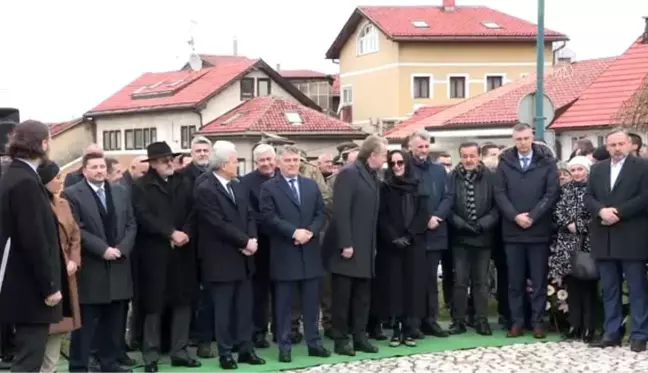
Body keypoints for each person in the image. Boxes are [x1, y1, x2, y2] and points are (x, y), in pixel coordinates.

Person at [194, 141, 266, 370]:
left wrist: (252, 240)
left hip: (244, 258)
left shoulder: (238, 185)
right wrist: (244, 241)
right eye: (235, 162)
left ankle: (245, 348)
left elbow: (249, 215)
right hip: (221, 258)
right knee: (223, 309)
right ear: (224, 164)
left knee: (244, 306)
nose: (237, 166)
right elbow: (216, 223)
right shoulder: (205, 188)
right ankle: (225, 352)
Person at [0, 120, 65, 373]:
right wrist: (49, 286)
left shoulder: (14, 176)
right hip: (29, 288)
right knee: (29, 360)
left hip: (19, 283)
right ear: (43, 144)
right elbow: (34, 239)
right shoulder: (25, 181)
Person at [131, 142, 201, 372]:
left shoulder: (184, 182)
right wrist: (169, 233)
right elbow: (143, 216)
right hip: (154, 254)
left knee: (183, 301)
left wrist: (184, 234)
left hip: (182, 251)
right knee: (153, 304)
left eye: (171, 159)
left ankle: (179, 351)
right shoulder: (141, 186)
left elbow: (193, 212)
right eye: (164, 160)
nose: (169, 163)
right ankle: (151, 355)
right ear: (152, 163)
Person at [64, 153, 136, 373]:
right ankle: (79, 366)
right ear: (84, 170)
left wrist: (121, 249)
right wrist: (102, 249)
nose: (99, 171)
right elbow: (77, 229)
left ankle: (109, 363)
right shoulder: (72, 194)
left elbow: (131, 224)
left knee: (114, 323)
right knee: (85, 325)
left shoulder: (120, 191)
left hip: (119, 266)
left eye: (102, 167)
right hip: (92, 269)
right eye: (94, 167)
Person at [259, 145, 330, 362]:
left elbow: (321, 213)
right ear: (279, 163)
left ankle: (314, 343)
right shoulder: (269, 188)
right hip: (285, 253)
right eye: (288, 160)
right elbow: (268, 217)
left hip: (309, 251)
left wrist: (311, 231)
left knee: (311, 303)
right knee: (284, 306)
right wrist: (293, 232)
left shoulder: (310, 185)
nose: (292, 164)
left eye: (295, 160)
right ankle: (284, 346)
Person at [494, 123, 559, 339]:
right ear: (513, 140)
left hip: (538, 230)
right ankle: (517, 322)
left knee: (539, 281)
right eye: (518, 139)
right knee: (515, 281)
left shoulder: (547, 162)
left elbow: (551, 193)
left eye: (525, 138)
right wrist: (515, 216)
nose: (522, 143)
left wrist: (533, 216)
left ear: (532, 138)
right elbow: (500, 193)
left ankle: (538, 322)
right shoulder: (505, 164)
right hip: (513, 232)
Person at [585, 128, 648, 352]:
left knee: (636, 288)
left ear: (630, 144)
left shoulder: (642, 166)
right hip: (604, 235)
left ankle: (640, 334)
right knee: (609, 288)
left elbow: (644, 197)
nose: (616, 149)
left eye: (620, 144)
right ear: (607, 146)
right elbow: (589, 196)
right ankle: (611, 332)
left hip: (632, 235)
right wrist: (602, 211)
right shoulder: (597, 169)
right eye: (612, 145)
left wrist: (618, 212)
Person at [325, 135, 387, 356]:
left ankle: (360, 337)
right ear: (372, 154)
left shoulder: (372, 175)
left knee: (362, 297)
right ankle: (341, 339)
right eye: (384, 155)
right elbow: (341, 211)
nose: (385, 159)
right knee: (342, 298)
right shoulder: (350, 174)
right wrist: (346, 242)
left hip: (366, 247)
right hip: (348, 248)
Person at [376, 150, 428, 347]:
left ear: (407, 164)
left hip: (414, 244)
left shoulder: (418, 186)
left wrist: (409, 235)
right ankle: (396, 330)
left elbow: (423, 214)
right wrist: (393, 238)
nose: (397, 166)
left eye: (400, 162)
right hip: (392, 246)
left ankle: (409, 329)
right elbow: (382, 216)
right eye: (393, 163)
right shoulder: (385, 187)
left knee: (412, 287)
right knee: (394, 288)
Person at [447, 142, 499, 336]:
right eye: (464, 156)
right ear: (460, 156)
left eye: (472, 156)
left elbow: (497, 206)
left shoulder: (491, 177)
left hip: (483, 236)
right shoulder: (452, 177)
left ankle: (481, 320)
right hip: (460, 236)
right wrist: (460, 223)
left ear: (478, 156)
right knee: (460, 281)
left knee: (481, 281)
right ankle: (458, 320)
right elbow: (447, 204)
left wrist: (483, 223)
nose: (468, 160)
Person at [36, 161, 82, 373]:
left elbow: (75, 234)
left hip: (66, 272)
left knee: (59, 325)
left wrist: (74, 259)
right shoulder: (34, 204)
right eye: (56, 177)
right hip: (46, 270)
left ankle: (50, 368)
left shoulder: (63, 203)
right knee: (40, 327)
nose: (61, 181)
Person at [409, 129, 453, 338]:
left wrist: (437, 216)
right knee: (415, 280)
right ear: (411, 147)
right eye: (420, 147)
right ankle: (414, 322)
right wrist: (422, 220)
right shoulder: (405, 169)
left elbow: (448, 196)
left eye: (427, 147)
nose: (424, 151)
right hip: (414, 234)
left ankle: (431, 320)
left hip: (436, 231)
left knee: (431, 281)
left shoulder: (438, 170)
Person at [548, 156, 597, 343]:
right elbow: (557, 210)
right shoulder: (565, 190)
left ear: (587, 170)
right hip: (567, 242)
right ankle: (574, 324)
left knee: (588, 286)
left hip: (587, 242)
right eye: (573, 170)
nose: (576, 173)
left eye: (580, 169)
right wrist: (568, 223)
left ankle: (589, 327)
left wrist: (581, 226)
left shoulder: (594, 190)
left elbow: (596, 213)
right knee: (572, 286)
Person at [178, 136, 214, 359]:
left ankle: (208, 335)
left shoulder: (216, 174)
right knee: (191, 292)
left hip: (213, 243)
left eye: (205, 150)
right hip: (189, 242)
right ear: (191, 153)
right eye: (198, 150)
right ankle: (191, 334)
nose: (202, 154)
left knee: (209, 293)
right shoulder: (182, 177)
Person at [239, 144, 277, 349]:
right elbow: (249, 213)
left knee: (282, 290)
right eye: (262, 160)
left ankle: (283, 330)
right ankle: (259, 331)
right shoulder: (246, 182)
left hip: (284, 243)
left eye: (269, 159)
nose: (266, 163)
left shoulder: (284, 177)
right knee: (260, 292)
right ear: (256, 162)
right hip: (260, 244)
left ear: (275, 158)